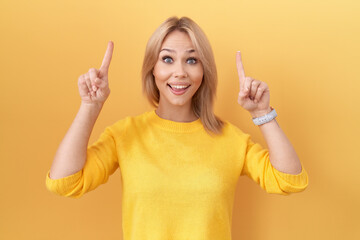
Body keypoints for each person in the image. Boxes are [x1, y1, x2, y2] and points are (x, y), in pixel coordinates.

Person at [46, 16, 308, 240]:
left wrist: (263, 113)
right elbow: (64, 182)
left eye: (192, 61)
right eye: (167, 59)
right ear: (153, 69)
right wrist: (91, 106)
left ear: (204, 71)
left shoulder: (230, 139)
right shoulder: (125, 134)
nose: (180, 72)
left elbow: (289, 180)